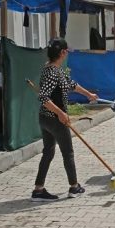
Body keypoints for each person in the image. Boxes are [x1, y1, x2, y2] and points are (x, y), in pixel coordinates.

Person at [32, 38, 98, 202]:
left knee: (48, 152)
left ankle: (38, 190)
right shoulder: (52, 72)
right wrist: (60, 113)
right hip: (54, 120)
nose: (67, 53)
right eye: (66, 50)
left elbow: (71, 84)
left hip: (46, 119)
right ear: (62, 53)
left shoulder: (54, 70)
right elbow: (43, 97)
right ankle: (74, 187)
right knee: (67, 152)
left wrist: (88, 95)